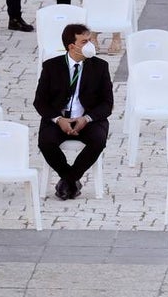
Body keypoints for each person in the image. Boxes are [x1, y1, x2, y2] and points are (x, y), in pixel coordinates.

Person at [33, 24, 113, 200]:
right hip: (59, 119)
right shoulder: (51, 67)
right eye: (84, 42)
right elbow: (40, 102)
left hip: (88, 120)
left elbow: (107, 104)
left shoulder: (100, 67)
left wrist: (86, 118)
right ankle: (72, 181)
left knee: (98, 140)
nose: (90, 44)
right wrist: (58, 119)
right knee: (46, 142)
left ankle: (67, 181)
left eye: (90, 40)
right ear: (71, 46)